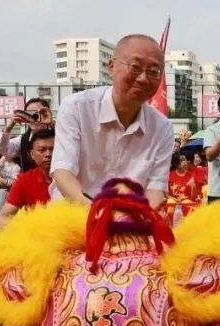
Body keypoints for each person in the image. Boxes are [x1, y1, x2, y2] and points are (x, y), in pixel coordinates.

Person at [50, 34, 174, 209]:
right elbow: (63, 173)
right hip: (72, 217)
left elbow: (156, 189)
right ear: (112, 67)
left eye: (154, 72)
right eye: (135, 67)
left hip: (130, 224)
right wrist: (98, 215)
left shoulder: (163, 128)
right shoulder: (76, 108)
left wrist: (134, 221)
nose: (143, 79)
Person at [0, 128, 55, 224]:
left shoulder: (74, 177)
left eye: (52, 149)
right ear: (32, 154)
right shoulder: (25, 180)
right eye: (42, 150)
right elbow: (4, 216)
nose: (48, 154)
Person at [0, 97, 54, 166]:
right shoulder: (22, 139)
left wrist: (52, 123)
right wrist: (8, 128)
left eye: (38, 113)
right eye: (29, 114)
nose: (34, 117)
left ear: (47, 113)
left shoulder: (58, 135)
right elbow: (3, 149)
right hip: (30, 176)